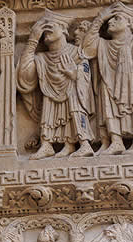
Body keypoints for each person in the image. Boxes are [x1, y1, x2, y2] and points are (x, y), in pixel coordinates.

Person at [17, 13, 94, 159]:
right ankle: (49, 144)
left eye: (51, 26)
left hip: (73, 94)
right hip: (51, 96)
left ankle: (84, 144)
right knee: (49, 107)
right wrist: (33, 40)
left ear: (64, 30)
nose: (46, 30)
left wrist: (74, 74)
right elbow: (25, 78)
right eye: (44, 28)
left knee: (74, 109)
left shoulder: (76, 52)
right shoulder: (42, 58)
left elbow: (85, 71)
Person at [83, 2, 133, 155]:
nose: (110, 22)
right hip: (109, 85)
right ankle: (116, 141)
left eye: (117, 18)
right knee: (106, 95)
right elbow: (86, 49)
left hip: (132, 86)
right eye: (109, 20)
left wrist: (124, 61)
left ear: (129, 23)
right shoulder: (103, 44)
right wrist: (100, 19)